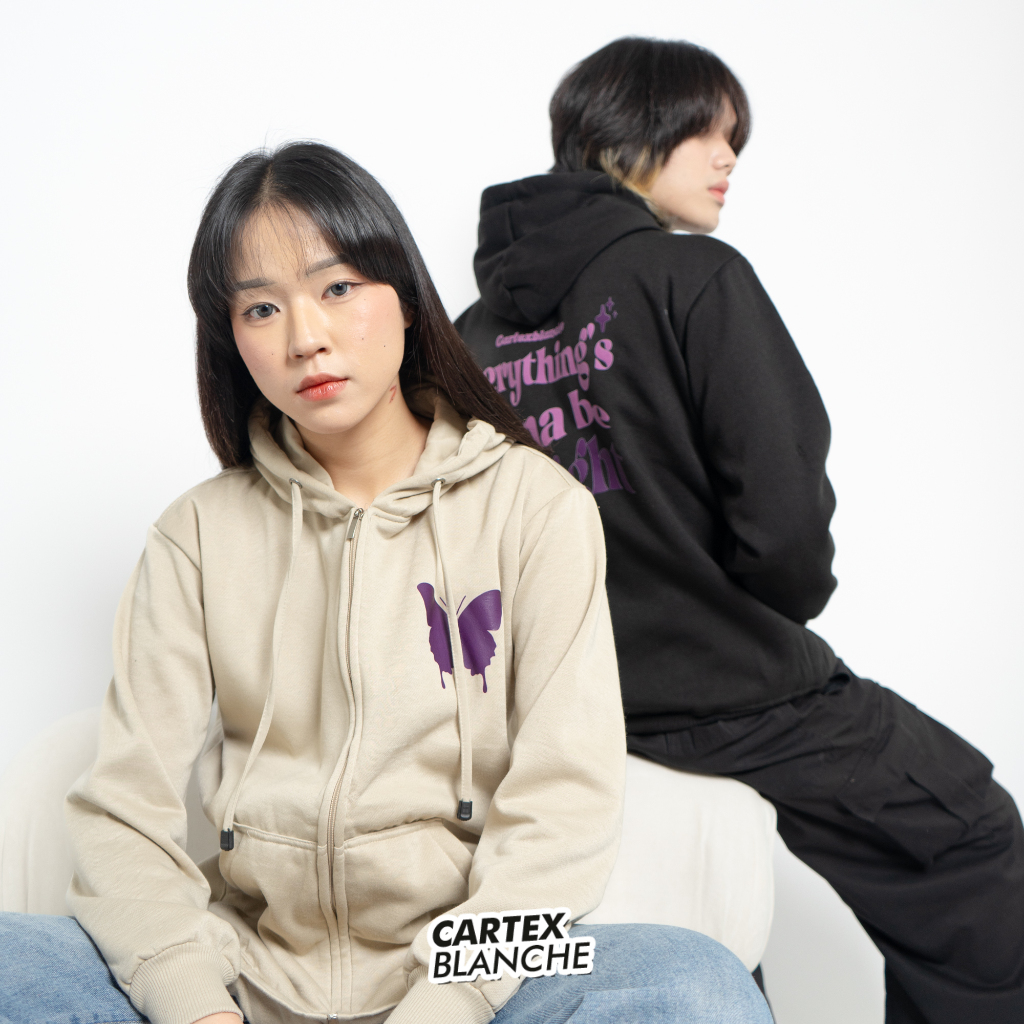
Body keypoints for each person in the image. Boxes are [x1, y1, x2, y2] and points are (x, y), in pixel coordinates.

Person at [0, 143, 772, 1024]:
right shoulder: (198, 535)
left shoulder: (536, 507)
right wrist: (196, 1004)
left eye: (337, 288)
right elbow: (124, 812)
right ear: (233, 340)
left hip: (468, 976)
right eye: (261, 308)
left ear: (404, 295)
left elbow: (564, 807)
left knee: (698, 983)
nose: (306, 337)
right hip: (251, 966)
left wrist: (449, 1002)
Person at [455, 36, 1024, 1024]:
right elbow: (785, 522)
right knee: (972, 837)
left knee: (699, 908)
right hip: (735, 689)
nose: (727, 159)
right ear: (628, 132)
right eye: (707, 134)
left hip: (571, 702)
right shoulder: (695, 277)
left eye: (735, 141)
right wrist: (766, 611)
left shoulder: (470, 334)